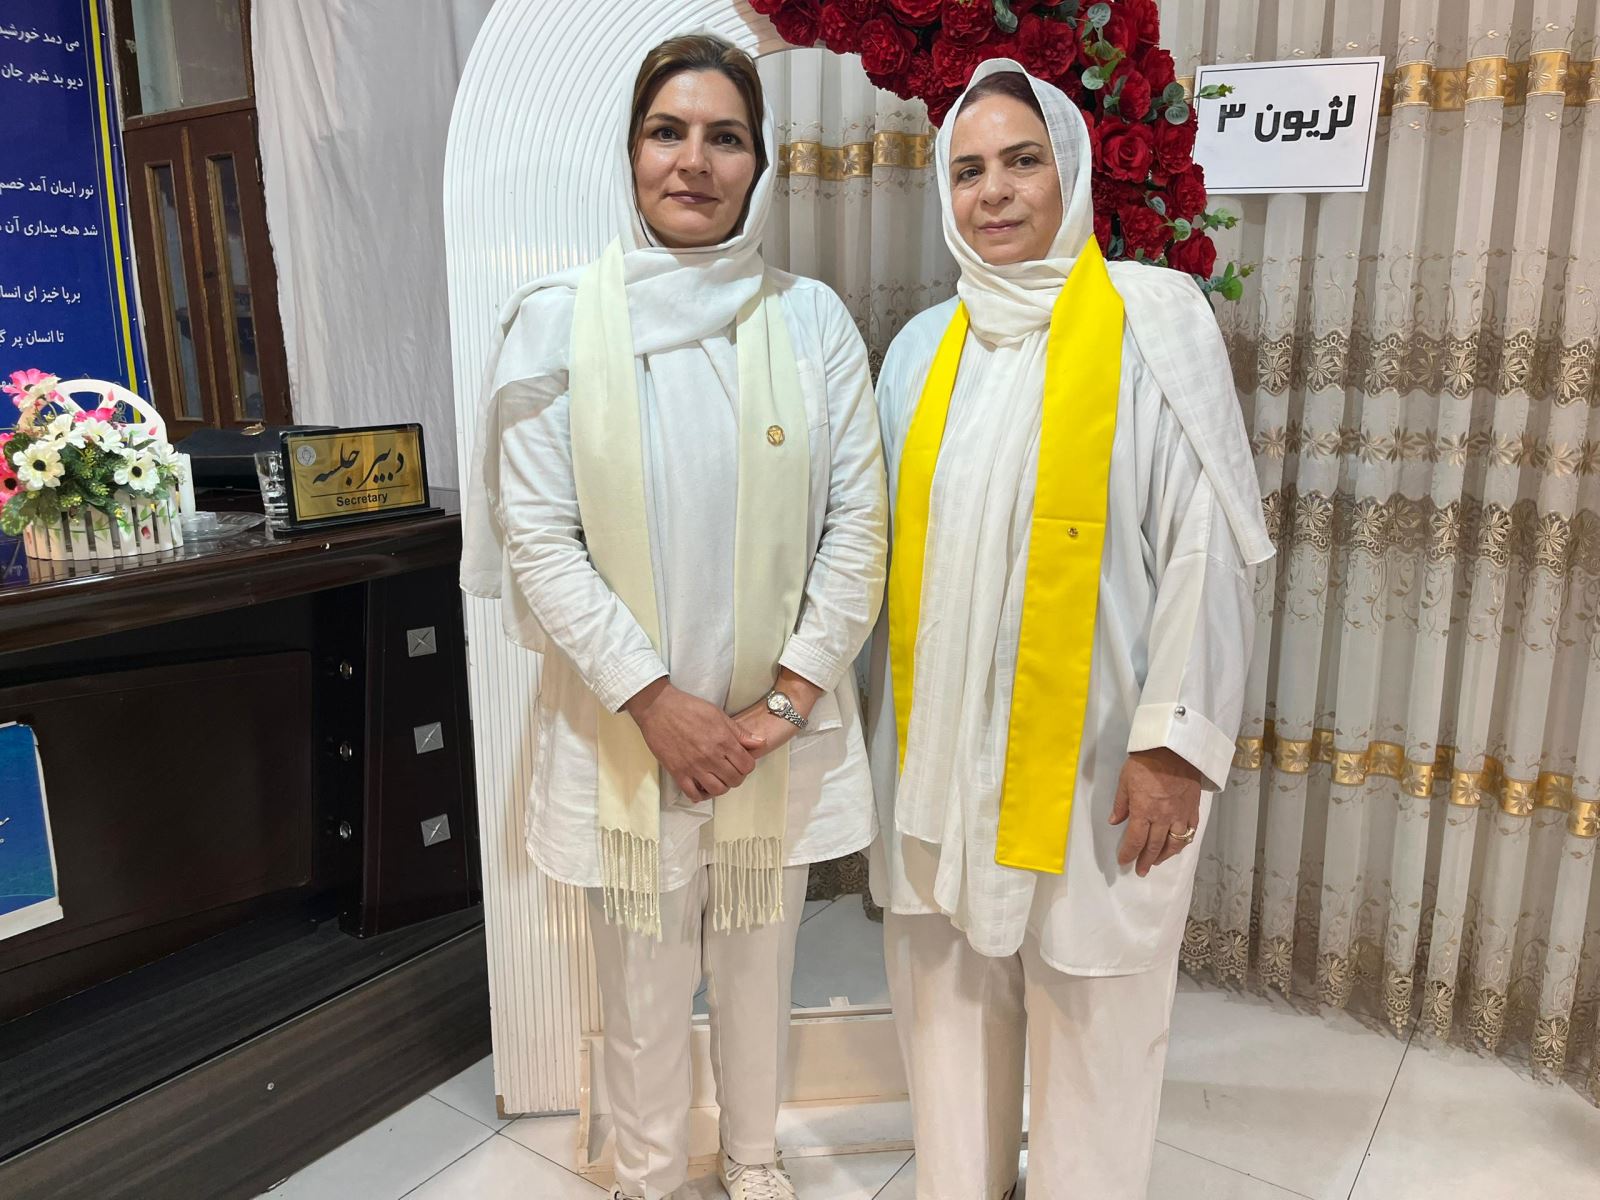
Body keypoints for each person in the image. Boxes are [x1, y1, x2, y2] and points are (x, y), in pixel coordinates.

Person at [461, 33, 887, 1200]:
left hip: (768, 740)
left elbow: (860, 527)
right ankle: (649, 1176)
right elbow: (538, 537)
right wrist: (656, 703)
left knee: (759, 968)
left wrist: (778, 708)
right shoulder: (554, 322)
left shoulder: (810, 322)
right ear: (632, 153)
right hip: (625, 733)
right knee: (640, 993)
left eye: (724, 137)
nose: (693, 161)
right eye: (667, 132)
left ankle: (753, 1160)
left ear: (759, 165)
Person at [865, 60, 1274, 1200]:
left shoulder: (1152, 320)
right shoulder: (921, 350)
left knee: (1097, 1014)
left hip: (1101, 756)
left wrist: (1173, 745)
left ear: (1073, 172)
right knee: (946, 998)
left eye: (1021, 161)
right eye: (967, 171)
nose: (992, 192)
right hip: (944, 753)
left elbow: (1205, 543)